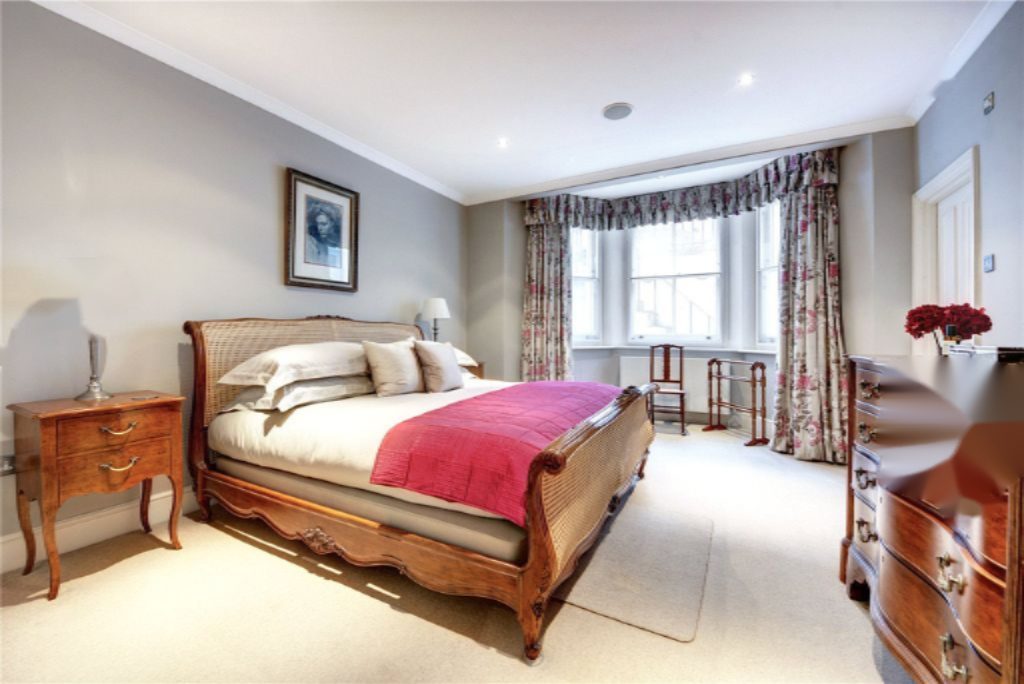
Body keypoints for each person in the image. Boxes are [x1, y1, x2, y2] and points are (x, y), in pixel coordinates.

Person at [305, 204, 342, 269]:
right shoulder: (312, 242)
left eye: (324, 224)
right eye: (317, 224)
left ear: (332, 224)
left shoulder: (340, 244)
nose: (319, 228)